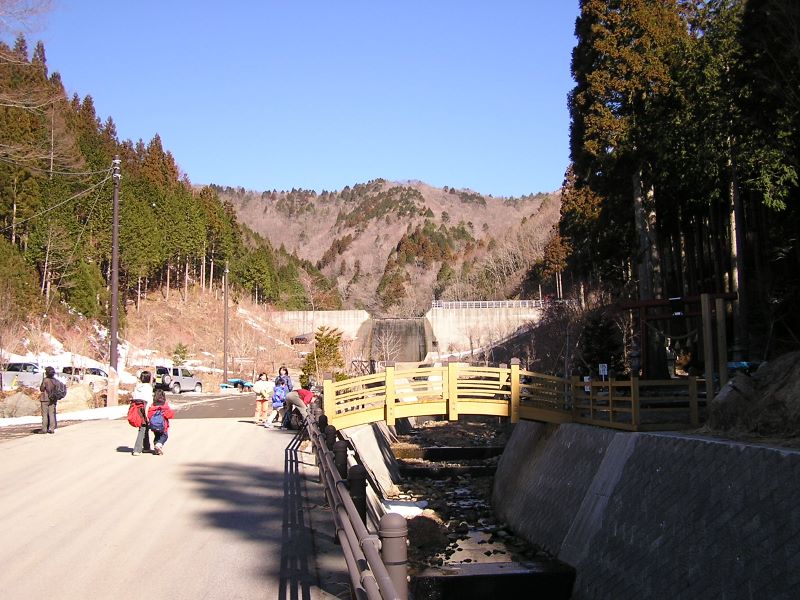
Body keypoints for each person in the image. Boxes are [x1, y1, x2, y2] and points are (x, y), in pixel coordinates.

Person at [131, 370, 154, 455]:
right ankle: (137, 449)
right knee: (143, 427)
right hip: (144, 408)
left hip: (136, 408)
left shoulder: (137, 387)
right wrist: (147, 413)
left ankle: (146, 447)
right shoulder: (148, 387)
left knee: (145, 427)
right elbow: (148, 401)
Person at [147, 389, 175, 455]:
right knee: (164, 436)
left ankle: (157, 449)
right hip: (163, 426)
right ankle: (159, 445)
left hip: (154, 425)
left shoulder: (152, 406)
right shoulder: (165, 406)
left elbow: (149, 415)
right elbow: (169, 415)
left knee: (157, 436)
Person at [38, 366, 58, 434]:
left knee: (45, 415)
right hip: (53, 399)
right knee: (51, 414)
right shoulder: (55, 380)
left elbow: (42, 389)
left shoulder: (45, 380)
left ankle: (44, 429)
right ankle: (52, 429)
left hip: (45, 399)